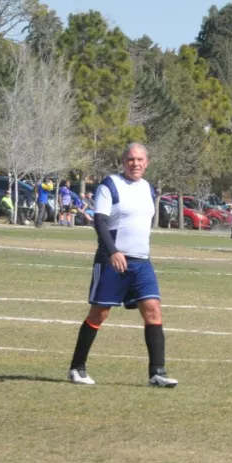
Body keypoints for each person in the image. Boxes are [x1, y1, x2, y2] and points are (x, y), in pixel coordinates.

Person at [67, 143, 177, 388]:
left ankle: (157, 372)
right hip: (112, 261)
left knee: (153, 310)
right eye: (130, 159)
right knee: (100, 314)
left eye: (139, 159)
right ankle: (77, 368)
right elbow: (100, 222)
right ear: (123, 161)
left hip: (141, 261)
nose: (135, 163)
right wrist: (114, 251)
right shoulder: (110, 185)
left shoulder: (148, 188)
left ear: (147, 162)